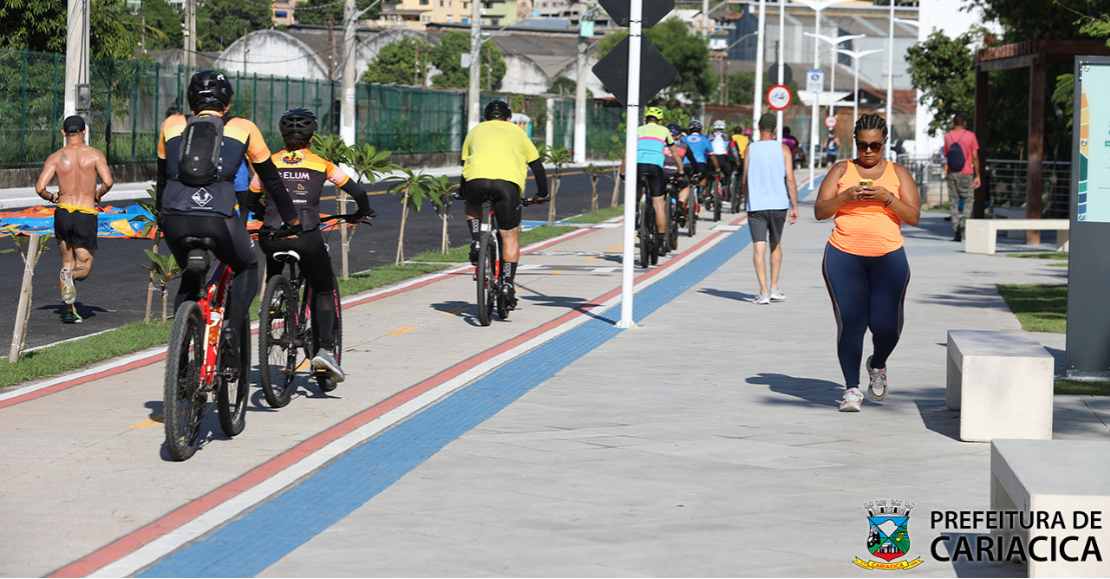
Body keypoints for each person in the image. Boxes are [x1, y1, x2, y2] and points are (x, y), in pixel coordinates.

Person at [157, 70, 301, 370]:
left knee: (190, 277)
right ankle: (232, 331)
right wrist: (292, 220)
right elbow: (272, 181)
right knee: (247, 265)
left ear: (191, 103)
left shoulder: (171, 124)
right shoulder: (244, 127)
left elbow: (162, 178)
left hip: (175, 217)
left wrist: (162, 218)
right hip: (218, 217)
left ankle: (179, 359)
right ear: (227, 104)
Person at [248, 108, 373, 382]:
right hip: (306, 235)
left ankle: (275, 296)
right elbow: (358, 192)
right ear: (312, 138)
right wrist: (362, 211)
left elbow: (251, 198)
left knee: (274, 249)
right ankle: (325, 350)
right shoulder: (322, 164)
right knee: (324, 289)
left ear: (282, 137)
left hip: (271, 237)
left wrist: (261, 211)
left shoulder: (267, 163)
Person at [814, 113, 921, 413]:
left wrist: (887, 197)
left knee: (887, 327)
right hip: (843, 255)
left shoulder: (899, 173)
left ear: (885, 142)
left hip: (889, 257)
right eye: (862, 145)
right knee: (852, 322)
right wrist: (845, 196)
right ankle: (851, 389)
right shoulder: (841, 169)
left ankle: (878, 363)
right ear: (855, 143)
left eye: (875, 145)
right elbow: (820, 211)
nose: (869, 151)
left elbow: (913, 217)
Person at [461, 99, 550, 310]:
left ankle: (476, 240)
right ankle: (508, 284)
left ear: (485, 118)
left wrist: (463, 191)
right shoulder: (518, 132)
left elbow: (466, 164)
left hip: (476, 181)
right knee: (509, 236)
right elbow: (537, 167)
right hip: (507, 186)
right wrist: (542, 194)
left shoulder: (475, 131)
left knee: (472, 202)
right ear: (509, 118)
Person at [35, 115, 113, 323]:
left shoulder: (56, 157)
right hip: (85, 213)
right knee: (83, 267)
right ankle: (73, 277)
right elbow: (108, 182)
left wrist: (52, 197)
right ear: (84, 131)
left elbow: (40, 188)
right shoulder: (95, 155)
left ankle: (70, 311)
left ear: (63, 133)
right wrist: (98, 194)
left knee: (66, 263)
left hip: (63, 212)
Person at [742, 113, 798, 305]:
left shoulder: (750, 149)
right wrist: (795, 206)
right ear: (775, 128)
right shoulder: (783, 149)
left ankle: (763, 292)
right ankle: (774, 288)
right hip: (779, 204)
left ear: (758, 126)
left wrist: (747, 200)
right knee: (776, 244)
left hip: (756, 205)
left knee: (759, 246)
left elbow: (744, 179)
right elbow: (790, 180)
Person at [618, 107, 686, 256]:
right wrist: (680, 170)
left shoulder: (637, 130)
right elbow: (675, 153)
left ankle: (635, 211)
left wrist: (622, 172)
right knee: (658, 205)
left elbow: (626, 154)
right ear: (660, 121)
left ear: (645, 120)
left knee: (637, 186)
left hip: (638, 166)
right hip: (655, 168)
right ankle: (660, 243)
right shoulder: (664, 131)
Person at [943, 113, 981, 242]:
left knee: (953, 201)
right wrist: (977, 176)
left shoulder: (948, 136)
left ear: (953, 123)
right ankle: (963, 225)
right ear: (964, 123)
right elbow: (975, 157)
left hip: (952, 172)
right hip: (967, 173)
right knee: (969, 199)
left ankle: (956, 230)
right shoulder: (971, 136)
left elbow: (946, 154)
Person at [681, 119, 720, 209]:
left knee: (685, 183)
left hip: (686, 165)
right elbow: (712, 156)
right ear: (701, 130)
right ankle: (701, 192)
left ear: (689, 131)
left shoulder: (684, 139)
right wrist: (717, 168)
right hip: (700, 164)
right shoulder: (705, 140)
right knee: (704, 176)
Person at [708, 120, 738, 201]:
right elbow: (734, 150)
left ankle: (708, 193)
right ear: (724, 129)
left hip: (712, 158)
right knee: (727, 175)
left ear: (714, 129)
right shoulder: (728, 137)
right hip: (724, 158)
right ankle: (726, 193)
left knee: (709, 175)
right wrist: (737, 160)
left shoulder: (709, 136)